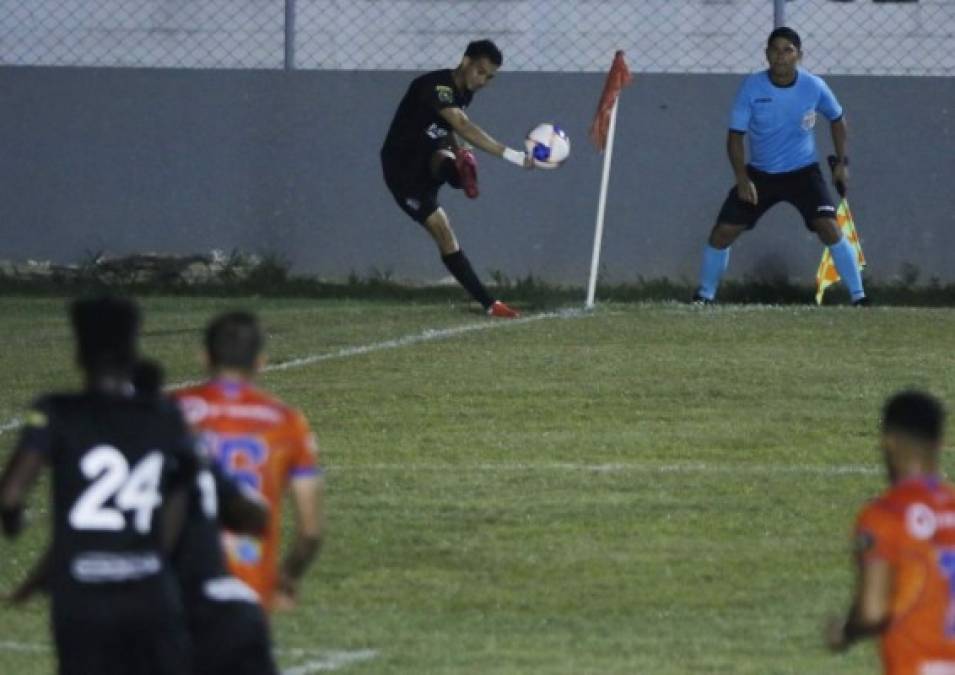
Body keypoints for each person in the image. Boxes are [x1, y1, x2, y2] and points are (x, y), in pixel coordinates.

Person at [0, 297, 196, 675]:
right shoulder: (166, 416)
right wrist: (156, 557)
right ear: (132, 348)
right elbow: (181, 489)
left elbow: (10, 496)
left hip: (82, 597)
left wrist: (14, 524)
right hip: (149, 592)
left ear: (79, 351)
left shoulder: (55, 412)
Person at [693, 26, 867, 305]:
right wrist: (741, 178)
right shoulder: (752, 87)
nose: (781, 56)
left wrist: (841, 162)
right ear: (766, 55)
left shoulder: (814, 86)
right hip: (760, 175)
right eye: (775, 50)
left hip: (803, 173)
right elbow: (735, 137)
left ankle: (859, 298)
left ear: (799, 55)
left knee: (830, 228)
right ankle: (704, 295)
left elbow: (837, 119)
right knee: (722, 232)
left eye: (788, 50)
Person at [173, 310, 324, 611]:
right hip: (248, 590)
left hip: (178, 589)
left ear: (204, 357)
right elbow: (310, 531)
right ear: (260, 362)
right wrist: (288, 576)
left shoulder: (170, 412)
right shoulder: (286, 422)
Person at [380, 38, 536, 319]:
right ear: (465, 62)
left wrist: (456, 146)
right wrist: (512, 156)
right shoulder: (436, 86)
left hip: (428, 154)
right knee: (444, 233)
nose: (483, 80)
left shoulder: (464, 92)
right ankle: (490, 303)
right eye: (480, 71)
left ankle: (460, 170)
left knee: (450, 157)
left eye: (489, 77)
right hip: (403, 170)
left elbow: (447, 125)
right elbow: (462, 124)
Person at [826, 390, 955, 673]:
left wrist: (845, 632)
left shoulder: (885, 516)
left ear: (889, 442)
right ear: (939, 444)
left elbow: (873, 611)